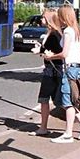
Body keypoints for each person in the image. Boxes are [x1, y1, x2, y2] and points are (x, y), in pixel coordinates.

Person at [50, 5, 80, 143]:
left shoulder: (68, 31)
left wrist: (50, 57)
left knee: (67, 101)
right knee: (63, 99)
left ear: (64, 16)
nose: (59, 18)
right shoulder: (76, 30)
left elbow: (64, 53)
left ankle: (68, 134)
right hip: (77, 67)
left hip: (70, 68)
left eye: (60, 15)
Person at [32, 9, 62, 137]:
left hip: (52, 71)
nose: (41, 20)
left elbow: (56, 53)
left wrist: (43, 53)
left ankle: (43, 127)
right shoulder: (54, 34)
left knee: (47, 99)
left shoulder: (54, 35)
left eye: (43, 18)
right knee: (57, 100)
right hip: (53, 70)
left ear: (49, 20)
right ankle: (43, 127)